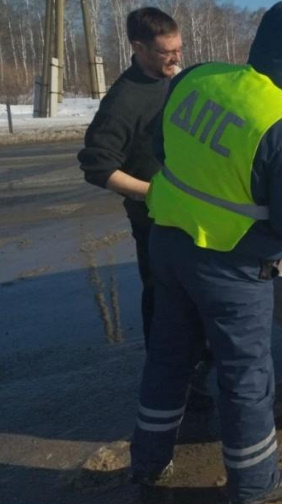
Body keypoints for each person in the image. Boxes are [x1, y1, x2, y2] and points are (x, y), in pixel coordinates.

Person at [128, 2, 282, 503]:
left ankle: (148, 463)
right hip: (232, 266)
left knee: (168, 358)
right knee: (246, 378)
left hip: (169, 243)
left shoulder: (199, 77)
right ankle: (256, 485)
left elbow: (163, 146)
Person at [78, 7, 182, 347]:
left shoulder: (174, 81)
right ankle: (165, 375)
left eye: (179, 49)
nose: (175, 59)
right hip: (153, 219)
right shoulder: (123, 101)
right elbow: (97, 166)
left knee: (191, 296)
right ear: (138, 48)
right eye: (167, 53)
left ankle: (194, 358)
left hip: (187, 214)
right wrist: (153, 192)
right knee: (162, 297)